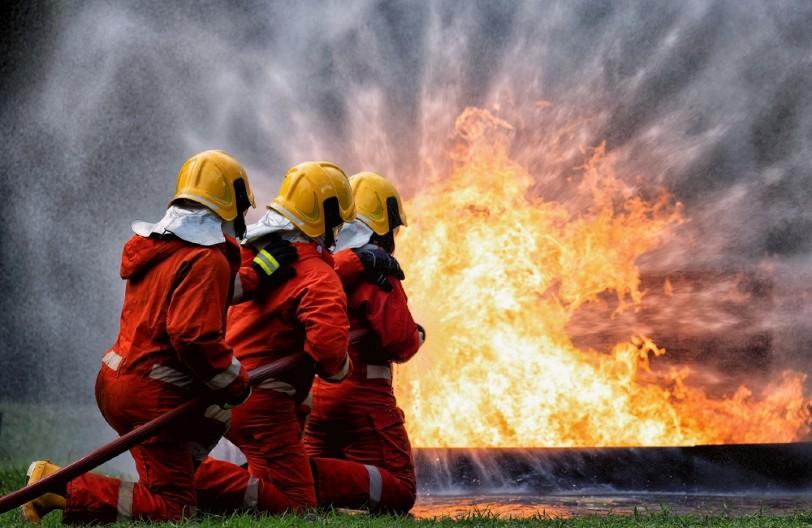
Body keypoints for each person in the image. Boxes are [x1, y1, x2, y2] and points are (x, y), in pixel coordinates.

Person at [20, 150, 297, 524]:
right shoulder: (206, 259)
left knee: (215, 412)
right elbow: (192, 335)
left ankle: (175, 477)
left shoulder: (164, 247)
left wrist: (260, 272)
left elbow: (204, 292)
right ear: (228, 206)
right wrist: (236, 381)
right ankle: (57, 487)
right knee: (173, 511)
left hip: (119, 380)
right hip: (151, 394)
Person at [194, 161, 357, 514]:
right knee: (299, 507)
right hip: (265, 406)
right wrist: (345, 366)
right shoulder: (318, 277)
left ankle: (184, 481)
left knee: (267, 486)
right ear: (325, 218)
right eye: (338, 222)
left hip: (230, 391)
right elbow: (329, 357)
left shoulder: (253, 256)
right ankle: (183, 480)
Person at [304, 171, 425, 514]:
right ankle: (302, 477)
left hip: (317, 398)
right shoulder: (375, 269)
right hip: (363, 401)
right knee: (399, 489)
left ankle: (296, 476)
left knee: (316, 487)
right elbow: (398, 341)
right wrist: (416, 335)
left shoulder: (320, 265)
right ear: (382, 227)